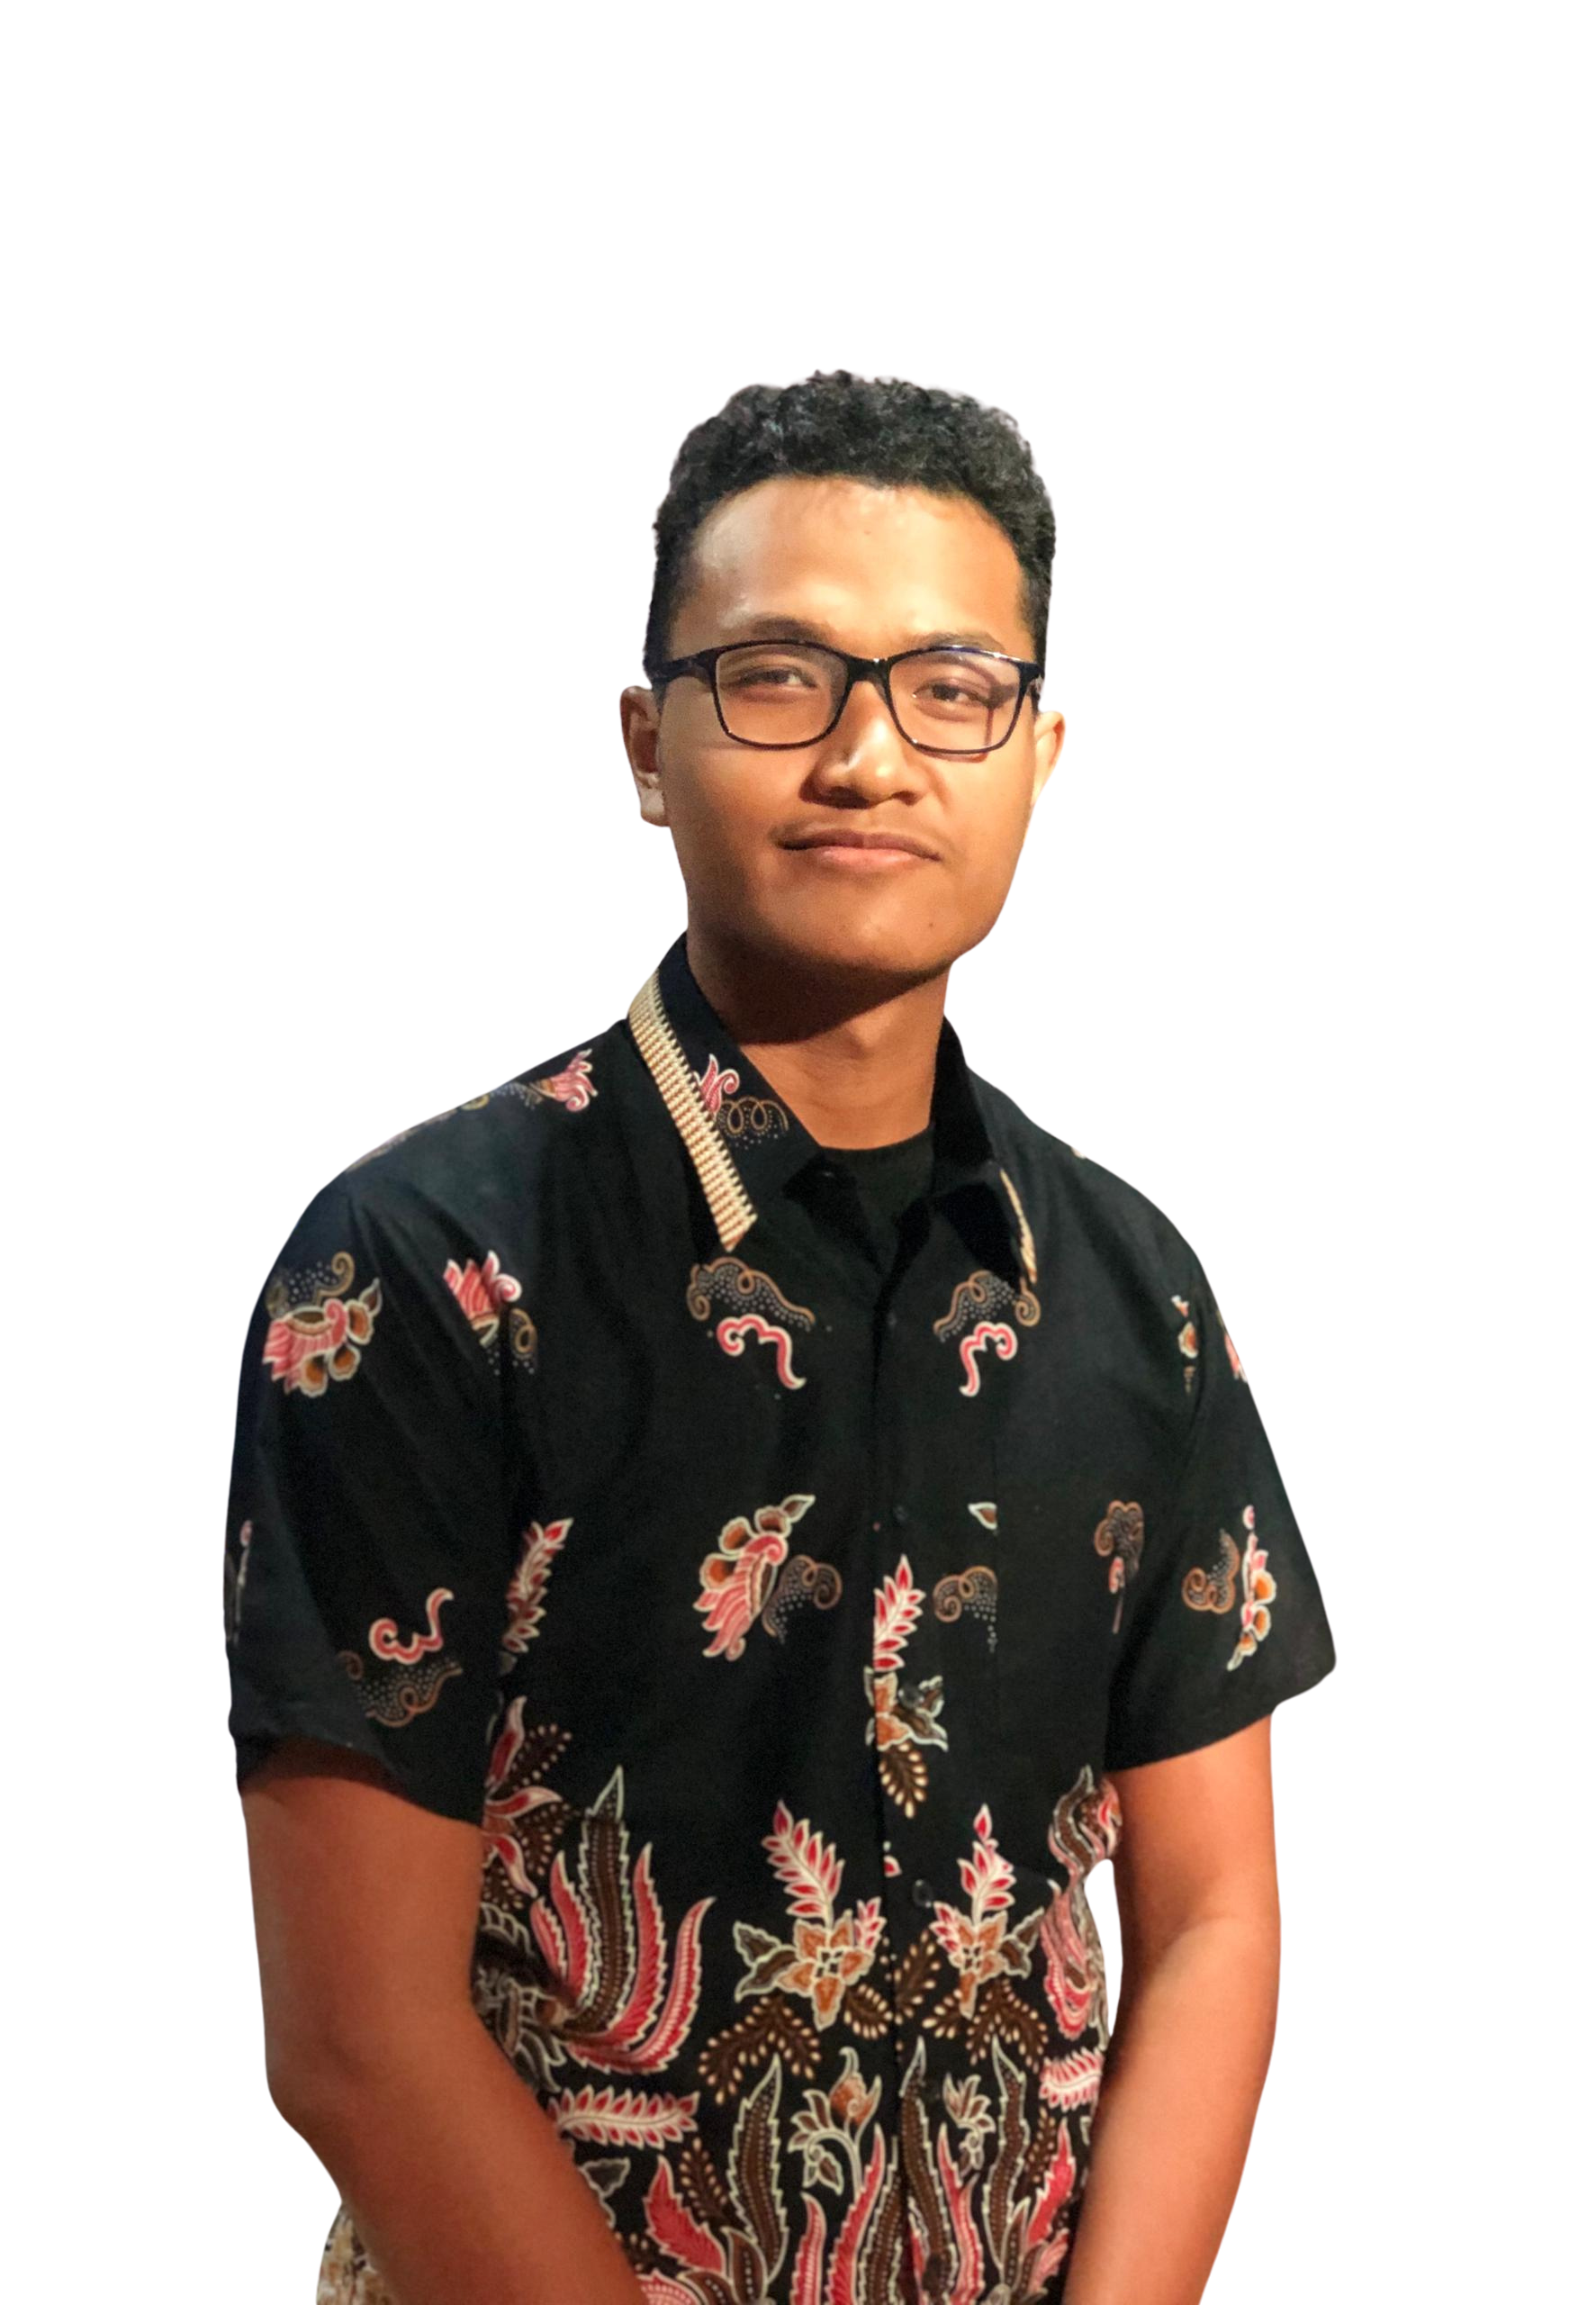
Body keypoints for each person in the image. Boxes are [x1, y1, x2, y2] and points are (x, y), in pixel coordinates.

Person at [224, 368, 1337, 2305]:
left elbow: (1216, 1910)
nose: (870, 756)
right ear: (648, 744)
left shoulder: (1134, 1290)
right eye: (780, 679)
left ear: (1038, 751)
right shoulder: (424, 1270)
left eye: (951, 687)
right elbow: (356, 2034)